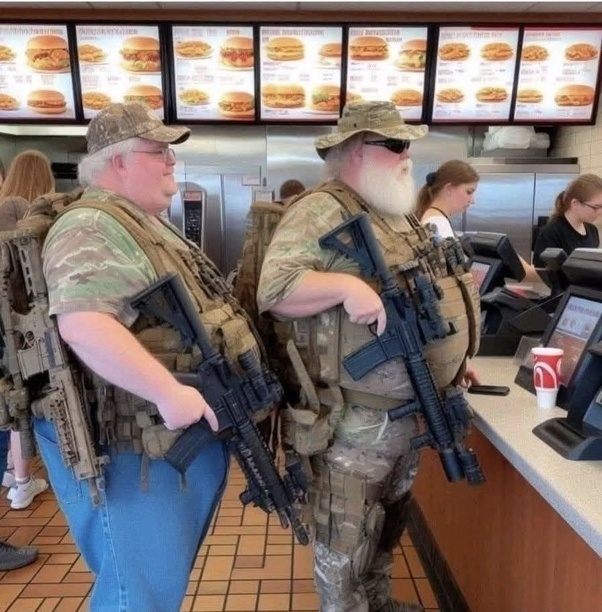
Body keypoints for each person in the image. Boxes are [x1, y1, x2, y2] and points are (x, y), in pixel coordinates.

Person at [29, 102, 271, 611]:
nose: (170, 161)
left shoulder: (138, 222)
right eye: (157, 151)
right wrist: (167, 391)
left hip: (154, 443)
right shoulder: (91, 224)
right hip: (130, 451)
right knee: (136, 595)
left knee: (152, 587)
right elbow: (83, 323)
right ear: (117, 161)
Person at [257, 101, 480, 612]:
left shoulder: (394, 214)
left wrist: (453, 358)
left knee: (387, 523)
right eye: (396, 145)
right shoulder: (321, 209)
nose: (408, 156)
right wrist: (344, 287)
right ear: (357, 149)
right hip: (354, 419)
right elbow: (276, 288)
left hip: (404, 412)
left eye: (409, 145)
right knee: (346, 536)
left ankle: (376, 603)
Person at [0, 149, 54, 509]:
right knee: (23, 395)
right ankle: (21, 481)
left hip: (7, 327)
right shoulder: (28, 215)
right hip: (24, 325)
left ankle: (12, 472)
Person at [416, 159, 541, 283]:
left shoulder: (433, 219)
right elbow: (453, 278)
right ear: (448, 189)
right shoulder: (438, 225)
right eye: (469, 192)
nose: (472, 200)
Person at [533, 173, 602, 268]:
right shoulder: (551, 232)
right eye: (596, 207)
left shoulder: (592, 231)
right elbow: (541, 272)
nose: (600, 212)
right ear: (575, 203)